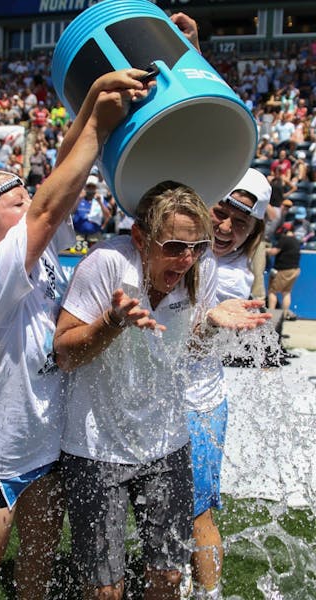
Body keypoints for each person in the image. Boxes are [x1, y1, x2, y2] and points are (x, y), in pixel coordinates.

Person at [0, 67, 152, 600]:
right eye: (13, 196)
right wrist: (99, 123)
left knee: (38, 564)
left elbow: (56, 180)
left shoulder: (39, 246)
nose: (27, 197)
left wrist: (94, 101)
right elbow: (51, 203)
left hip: (45, 446)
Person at [54, 180, 271, 600]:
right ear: (140, 237)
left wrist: (209, 324)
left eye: (197, 247)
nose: (187, 258)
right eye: (173, 246)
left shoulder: (199, 268)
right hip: (97, 447)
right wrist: (111, 323)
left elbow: (188, 348)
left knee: (169, 578)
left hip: (167, 443)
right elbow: (64, 353)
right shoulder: (106, 264)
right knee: (104, 590)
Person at [185, 167, 272, 599]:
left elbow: (192, 343)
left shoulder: (234, 276)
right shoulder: (188, 244)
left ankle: (208, 594)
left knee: (198, 513)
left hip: (198, 405)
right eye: (221, 212)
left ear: (254, 231)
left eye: (240, 224)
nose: (225, 228)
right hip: (159, 401)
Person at [267, 222, 301, 321]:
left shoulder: (284, 239)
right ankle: (285, 314)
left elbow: (274, 252)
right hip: (294, 270)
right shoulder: (296, 241)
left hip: (282, 270)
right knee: (286, 292)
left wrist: (265, 250)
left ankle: (271, 314)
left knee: (272, 291)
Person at [72, 174, 110, 245]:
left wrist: (100, 203)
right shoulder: (79, 198)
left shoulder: (100, 199)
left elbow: (107, 216)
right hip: (78, 235)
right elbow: (71, 212)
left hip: (94, 236)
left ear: (96, 188)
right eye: (89, 186)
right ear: (85, 187)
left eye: (93, 187)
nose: (91, 189)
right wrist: (79, 199)